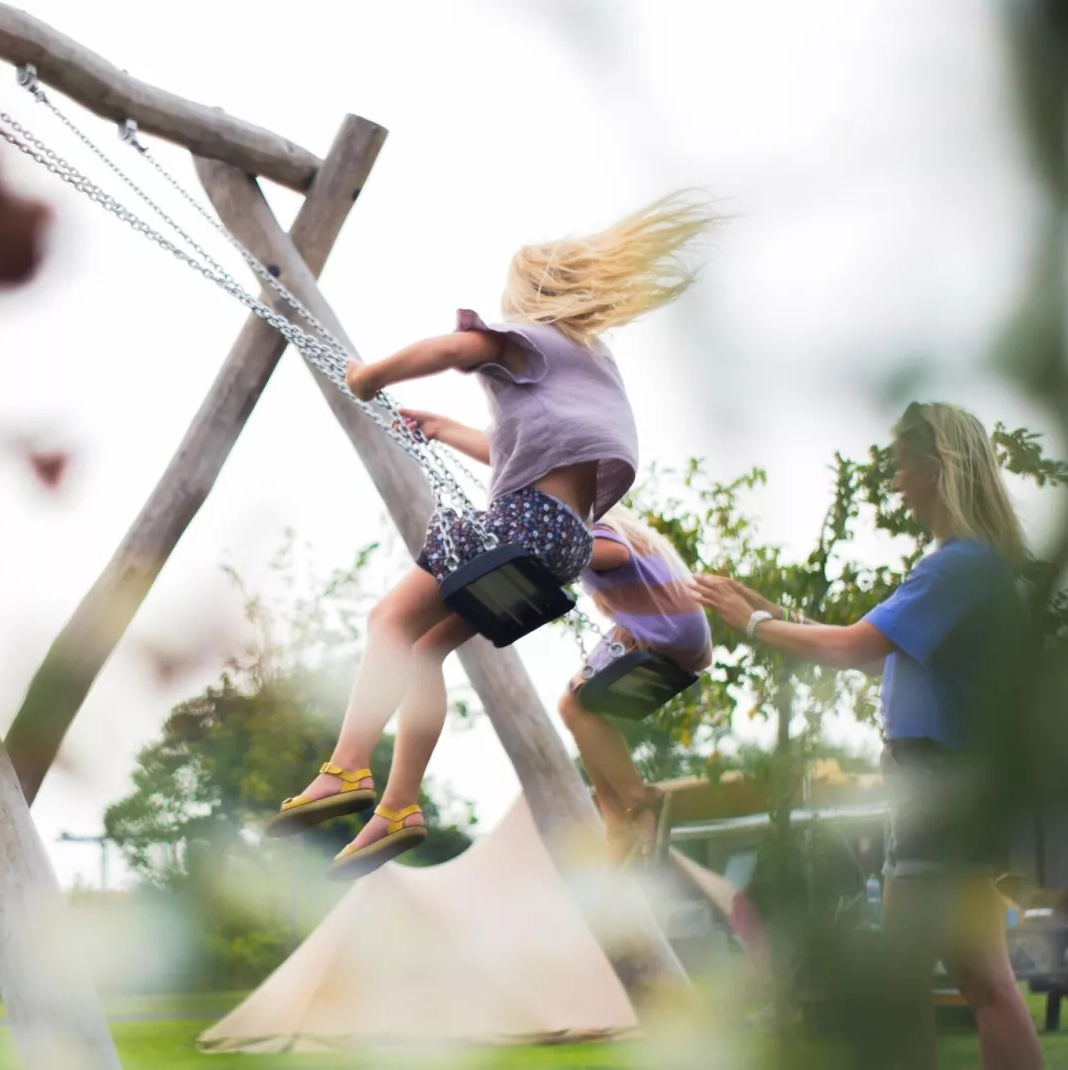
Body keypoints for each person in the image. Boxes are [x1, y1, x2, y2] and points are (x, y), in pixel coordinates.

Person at [261, 192, 722, 881]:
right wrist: (445, 429)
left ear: (527, 301)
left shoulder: (529, 338)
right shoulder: (591, 368)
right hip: (561, 545)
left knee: (388, 619)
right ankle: (399, 807)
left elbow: (452, 348)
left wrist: (370, 375)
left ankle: (347, 767)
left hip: (525, 527)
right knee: (424, 651)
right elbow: (537, 450)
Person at [691, 401, 1042, 1070]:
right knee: (982, 980)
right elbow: (881, 647)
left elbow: (854, 647)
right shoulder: (966, 564)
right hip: (948, 784)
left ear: (938, 470)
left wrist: (751, 625)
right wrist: (776, 613)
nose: (896, 482)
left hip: (936, 787)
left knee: (911, 984)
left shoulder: (958, 565)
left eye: (903, 468)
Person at [561, 503, 713, 865]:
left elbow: (614, 553)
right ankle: (617, 818)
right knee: (584, 709)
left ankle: (639, 801)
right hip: (678, 630)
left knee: (573, 707)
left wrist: (553, 553)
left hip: (666, 628)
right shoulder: (616, 515)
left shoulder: (591, 520)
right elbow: (509, 460)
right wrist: (442, 439)